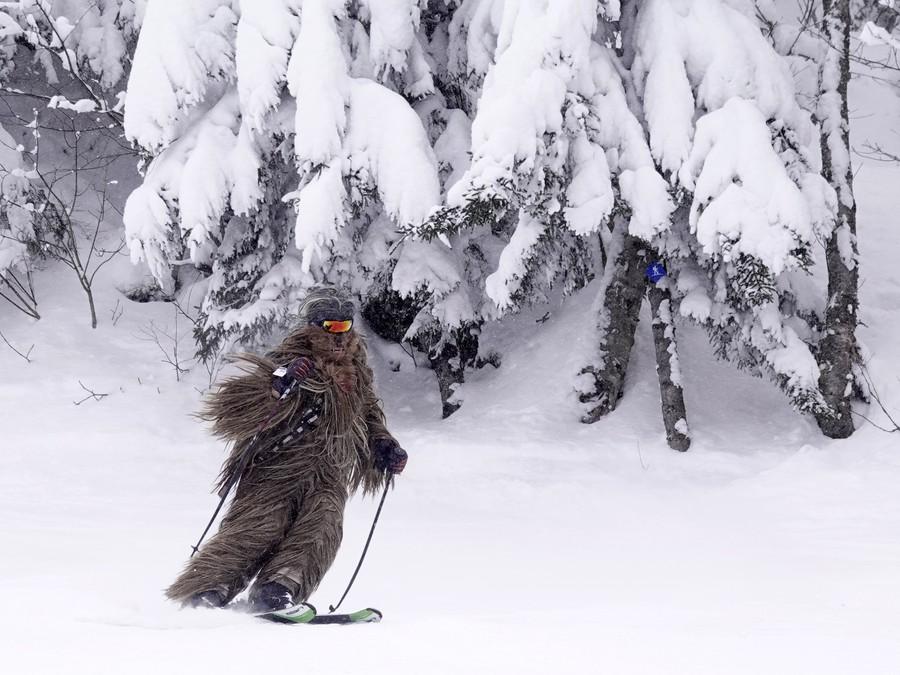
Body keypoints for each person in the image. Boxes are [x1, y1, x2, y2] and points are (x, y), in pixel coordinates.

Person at [166, 287, 407, 612]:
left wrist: (383, 444)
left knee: (323, 525)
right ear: (313, 328)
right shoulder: (289, 361)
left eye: (345, 327)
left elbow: (367, 414)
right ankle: (209, 588)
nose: (339, 337)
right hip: (277, 467)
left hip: (328, 471)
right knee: (261, 526)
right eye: (330, 328)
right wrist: (279, 385)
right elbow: (244, 401)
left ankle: (279, 587)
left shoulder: (357, 371)